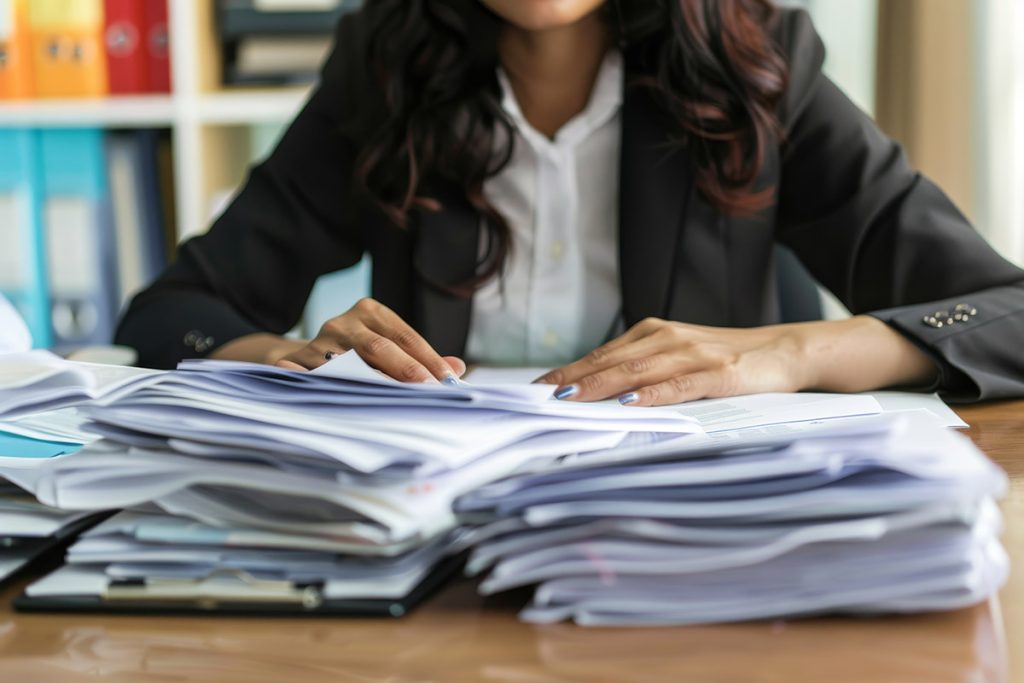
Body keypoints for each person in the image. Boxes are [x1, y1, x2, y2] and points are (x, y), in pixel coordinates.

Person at [116, 0, 1024, 406]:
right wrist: (294, 362)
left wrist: (785, 353)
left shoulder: (762, 61)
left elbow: (1007, 315)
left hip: (692, 541)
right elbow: (174, 313)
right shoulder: (383, 62)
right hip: (450, 546)